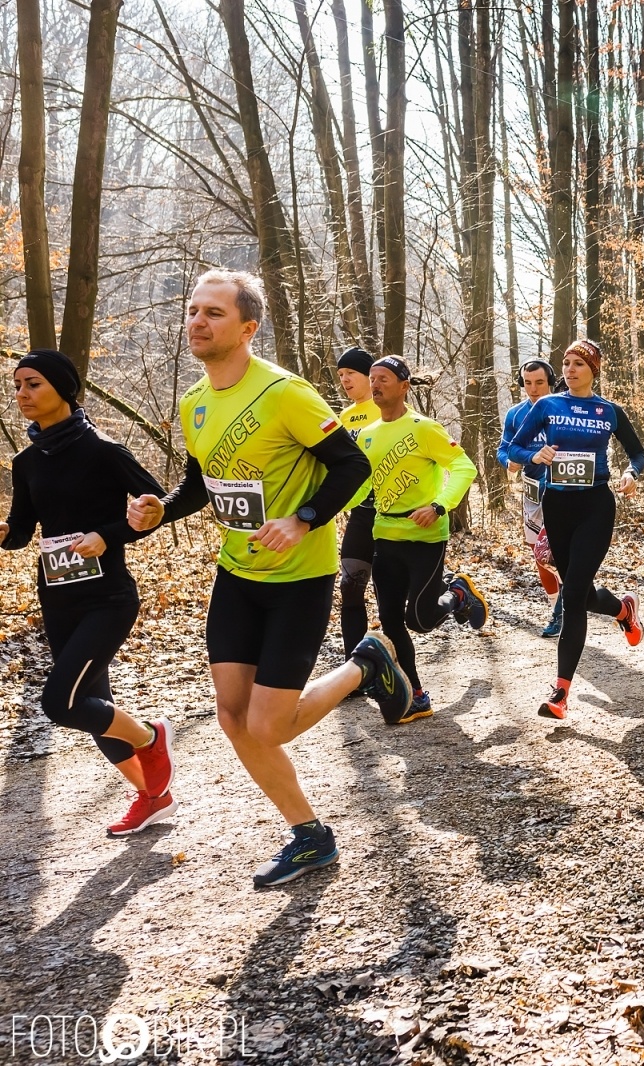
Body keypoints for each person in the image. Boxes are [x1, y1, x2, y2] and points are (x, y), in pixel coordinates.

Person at [126, 270, 411, 888]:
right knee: (233, 717)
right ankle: (310, 836)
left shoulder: (286, 394)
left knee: (269, 725)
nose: (197, 321)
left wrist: (303, 519)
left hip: (299, 578)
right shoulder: (194, 401)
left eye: (214, 313)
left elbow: (352, 466)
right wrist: (160, 511)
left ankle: (366, 664)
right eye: (193, 310)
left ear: (248, 327)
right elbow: (202, 483)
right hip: (237, 573)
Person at [3, 350, 177, 836]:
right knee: (94, 708)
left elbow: (156, 507)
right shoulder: (25, 462)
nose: (21, 394)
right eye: (16, 386)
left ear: (63, 388)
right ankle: (153, 796)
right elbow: (22, 529)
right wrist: (5, 532)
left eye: (33, 384)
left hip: (107, 599)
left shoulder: (103, 450)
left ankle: (151, 737)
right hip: (57, 597)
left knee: (61, 703)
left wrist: (108, 534)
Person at [506, 339, 644, 721]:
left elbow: (637, 453)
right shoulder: (547, 406)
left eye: (578, 363)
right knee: (579, 594)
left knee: (571, 596)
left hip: (595, 506)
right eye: (566, 363)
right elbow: (513, 449)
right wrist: (534, 455)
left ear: (593, 370)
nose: (569, 369)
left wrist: (631, 473)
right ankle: (623, 610)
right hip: (557, 507)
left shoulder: (609, 410)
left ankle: (560, 693)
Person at [358, 356, 485, 723]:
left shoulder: (424, 429)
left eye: (383, 378)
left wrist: (439, 505)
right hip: (385, 535)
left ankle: (457, 594)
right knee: (390, 620)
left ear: (404, 386)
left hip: (426, 537)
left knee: (420, 620)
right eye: (372, 378)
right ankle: (416, 695)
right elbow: (362, 487)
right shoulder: (366, 434)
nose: (375, 384)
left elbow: (464, 467)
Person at [499, 358, 564, 638]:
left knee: (559, 552)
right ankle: (556, 606)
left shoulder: (563, 410)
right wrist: (510, 462)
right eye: (527, 383)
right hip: (532, 492)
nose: (533, 389)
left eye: (539, 382)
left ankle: (562, 612)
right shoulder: (516, 414)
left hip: (562, 490)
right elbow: (504, 449)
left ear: (550, 382)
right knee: (539, 553)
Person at [335, 346, 380, 657]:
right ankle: (356, 666)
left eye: (351, 373)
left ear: (369, 376)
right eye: (340, 375)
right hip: (361, 513)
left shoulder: (387, 407)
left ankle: (453, 593)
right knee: (349, 587)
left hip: (394, 512)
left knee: (396, 597)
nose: (345, 380)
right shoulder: (344, 417)